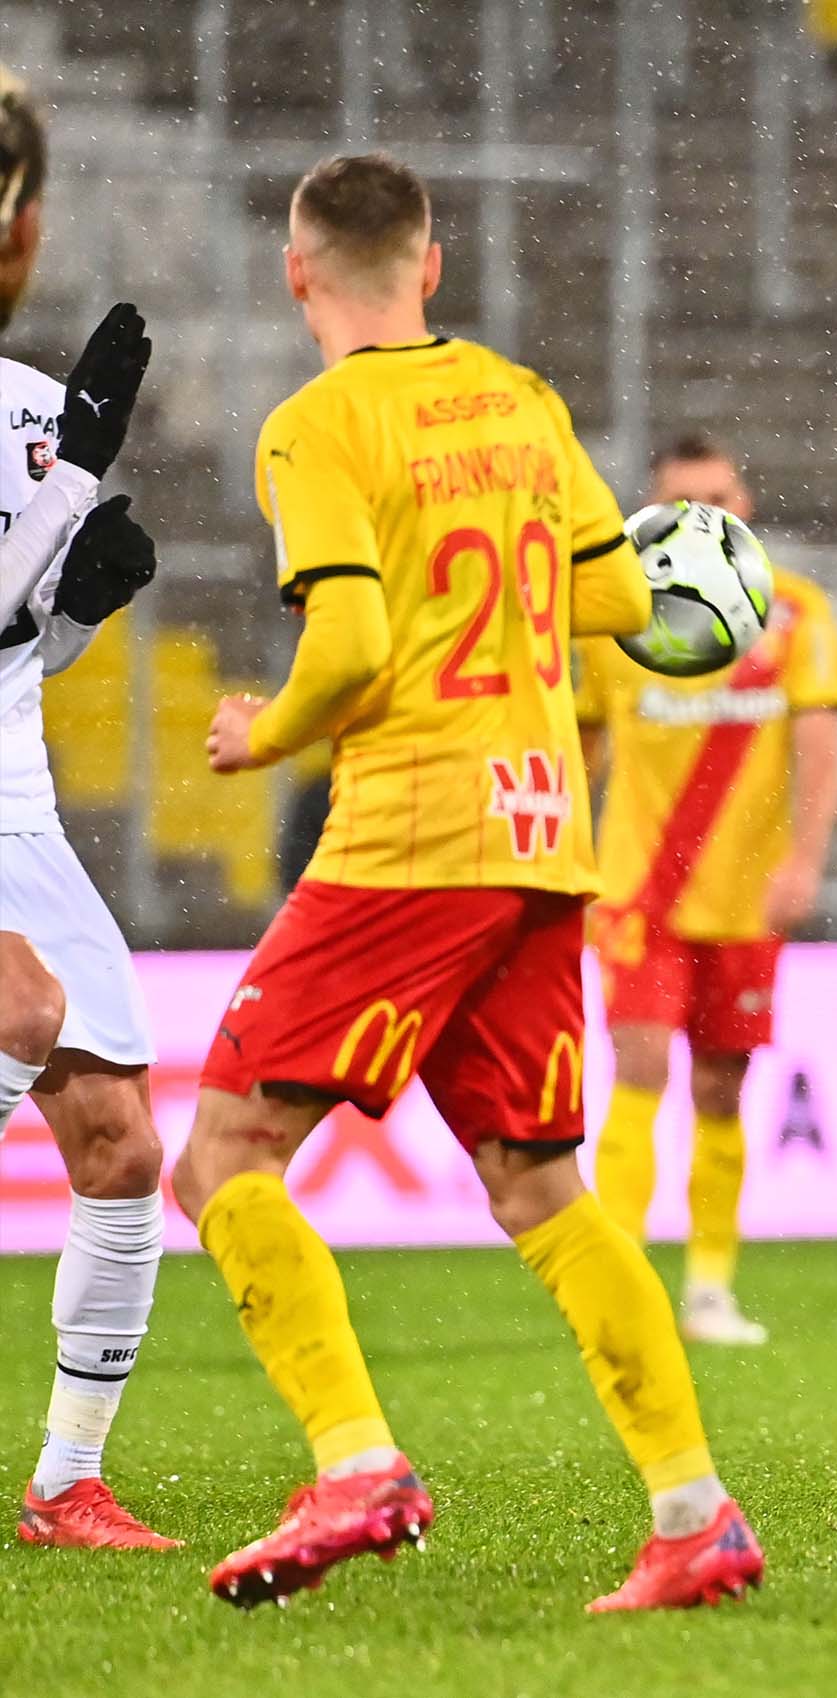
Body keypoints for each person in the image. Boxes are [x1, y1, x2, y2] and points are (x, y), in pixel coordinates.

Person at [177, 152, 764, 1612]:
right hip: (543, 825)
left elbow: (357, 649)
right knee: (539, 1181)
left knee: (226, 1153)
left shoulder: (317, 427)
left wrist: (268, 732)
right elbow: (623, 601)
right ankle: (693, 1511)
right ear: (430, 266)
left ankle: (355, 1460)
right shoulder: (522, 398)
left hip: (412, 832)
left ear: (298, 273)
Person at [0, 69, 175, 1552]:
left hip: (18, 803)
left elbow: (22, 635)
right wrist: (73, 498)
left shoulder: (36, 414)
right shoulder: (66, 440)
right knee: (18, 1009)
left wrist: (84, 608)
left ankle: (66, 1484)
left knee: (120, 1144)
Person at [579, 431, 837, 1347]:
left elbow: (819, 747)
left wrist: (804, 861)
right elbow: (582, 750)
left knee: (723, 1091)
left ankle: (708, 1289)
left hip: (743, 896)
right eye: (689, 502)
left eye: (724, 499)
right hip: (637, 893)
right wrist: (564, 861)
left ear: (748, 503)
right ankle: (616, 1290)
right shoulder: (615, 616)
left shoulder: (796, 614)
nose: (712, 517)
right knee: (642, 1067)